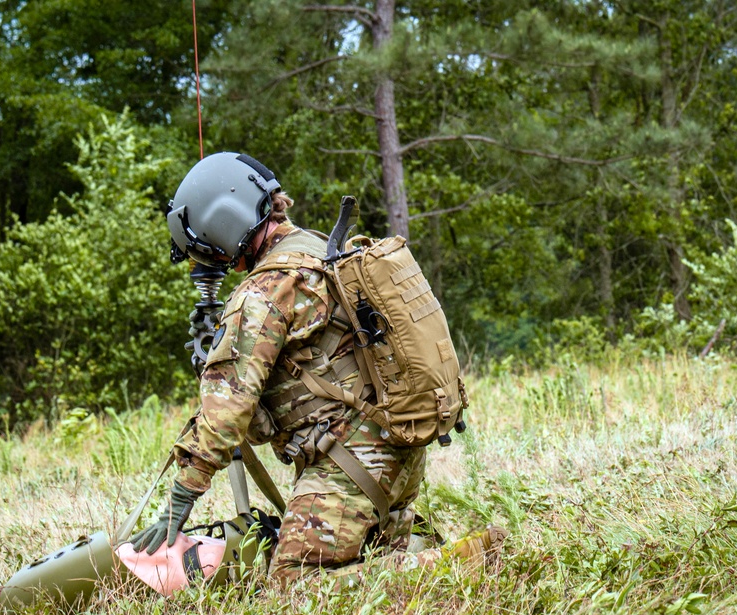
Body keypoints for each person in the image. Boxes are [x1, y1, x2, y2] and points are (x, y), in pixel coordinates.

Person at [130, 152, 504, 584]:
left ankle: (451, 565)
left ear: (224, 222)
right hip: (396, 448)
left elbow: (226, 412)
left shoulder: (265, 291)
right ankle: (415, 550)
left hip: (349, 464)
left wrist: (180, 500)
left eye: (209, 249)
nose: (218, 263)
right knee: (371, 560)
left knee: (292, 581)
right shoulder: (318, 248)